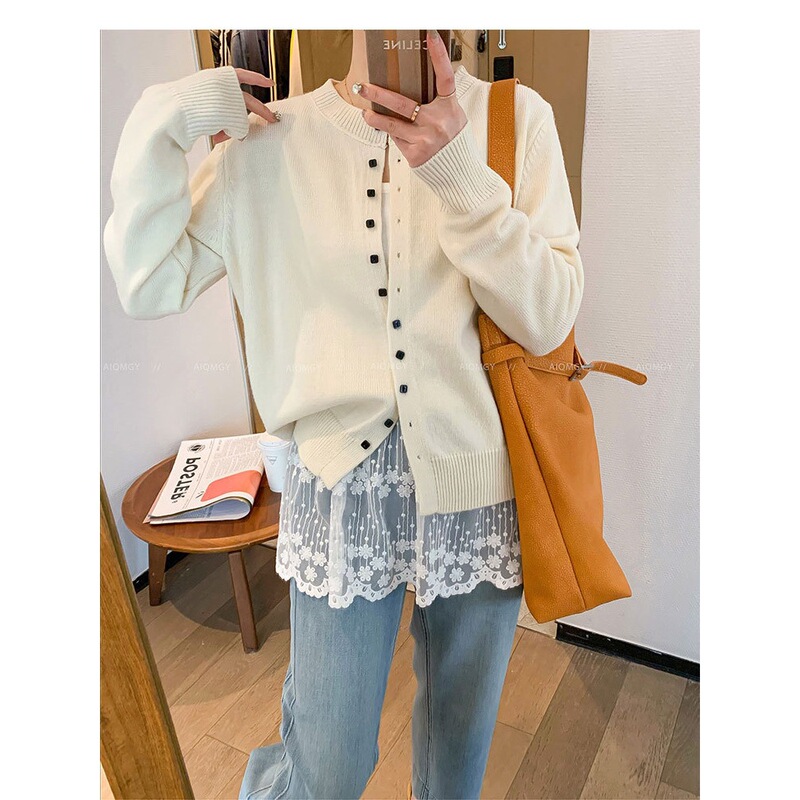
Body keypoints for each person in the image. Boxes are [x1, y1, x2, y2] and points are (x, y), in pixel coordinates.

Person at [104, 29, 583, 800]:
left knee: (456, 759)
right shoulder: (268, 142)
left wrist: (459, 174)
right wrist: (172, 115)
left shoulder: (516, 120)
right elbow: (146, 280)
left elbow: (551, 313)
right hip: (339, 492)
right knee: (325, 769)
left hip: (477, 485)